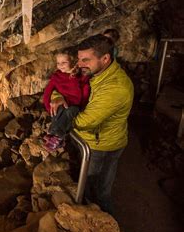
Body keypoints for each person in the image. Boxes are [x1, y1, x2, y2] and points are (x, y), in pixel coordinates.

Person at [50, 31, 134, 215]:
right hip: (92, 140)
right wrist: (57, 97)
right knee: (87, 183)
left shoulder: (115, 87)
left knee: (99, 191)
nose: (79, 65)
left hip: (102, 146)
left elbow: (85, 121)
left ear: (105, 58)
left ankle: (106, 230)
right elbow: (61, 85)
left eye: (85, 60)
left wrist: (63, 117)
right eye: (79, 59)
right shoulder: (97, 72)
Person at [42, 52, 90, 151]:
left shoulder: (80, 76)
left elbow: (85, 92)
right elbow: (47, 92)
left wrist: (83, 107)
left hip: (74, 105)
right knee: (58, 111)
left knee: (68, 112)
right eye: (58, 63)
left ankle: (55, 135)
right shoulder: (56, 76)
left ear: (72, 62)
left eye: (64, 62)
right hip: (61, 105)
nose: (60, 65)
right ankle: (56, 137)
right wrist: (48, 107)